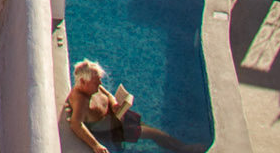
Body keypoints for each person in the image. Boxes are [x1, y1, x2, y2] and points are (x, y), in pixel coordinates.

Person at [64, 60, 201, 153]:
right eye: (96, 81)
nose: (100, 83)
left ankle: (180, 146)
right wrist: (96, 146)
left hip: (117, 117)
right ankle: (185, 148)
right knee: (154, 134)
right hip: (113, 129)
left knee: (151, 130)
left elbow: (109, 95)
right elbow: (76, 125)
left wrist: (115, 105)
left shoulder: (93, 86)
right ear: (83, 81)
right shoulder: (80, 100)